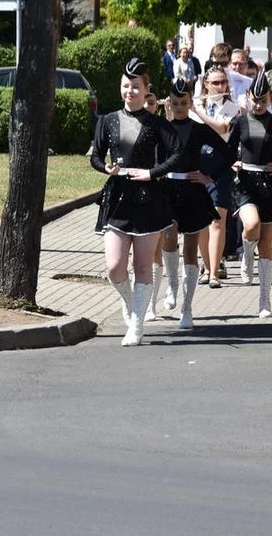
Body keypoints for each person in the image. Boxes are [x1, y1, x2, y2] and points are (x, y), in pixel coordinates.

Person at [91, 59, 185, 346]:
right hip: (117, 199)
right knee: (115, 268)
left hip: (149, 201)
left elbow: (177, 154)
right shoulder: (107, 120)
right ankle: (132, 305)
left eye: (135, 87)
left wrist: (151, 172)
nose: (129, 91)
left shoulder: (157, 123)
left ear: (146, 91)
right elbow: (96, 155)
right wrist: (104, 167)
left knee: (143, 266)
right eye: (125, 86)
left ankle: (137, 325)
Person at [158, 78, 239, 328]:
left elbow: (227, 153)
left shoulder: (199, 129)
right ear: (168, 104)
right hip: (168, 188)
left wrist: (209, 176)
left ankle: (187, 308)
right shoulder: (163, 127)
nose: (180, 107)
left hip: (192, 190)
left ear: (191, 103)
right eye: (175, 103)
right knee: (169, 238)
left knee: (191, 250)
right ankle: (172, 284)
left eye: (184, 103)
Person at [231, 71, 272, 317]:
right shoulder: (240, 121)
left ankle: (264, 300)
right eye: (254, 100)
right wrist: (233, 162)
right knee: (252, 225)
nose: (258, 105)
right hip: (245, 180)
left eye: (263, 100)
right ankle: (247, 255)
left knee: (267, 243)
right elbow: (228, 149)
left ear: (270, 98)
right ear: (247, 97)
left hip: (268, 184)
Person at [193, 65, 242, 288]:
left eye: (223, 82)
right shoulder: (196, 106)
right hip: (198, 165)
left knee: (217, 220)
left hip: (220, 167)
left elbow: (221, 129)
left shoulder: (232, 107)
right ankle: (205, 267)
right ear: (206, 84)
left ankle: (214, 272)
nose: (221, 86)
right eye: (216, 83)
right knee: (202, 222)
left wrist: (197, 110)